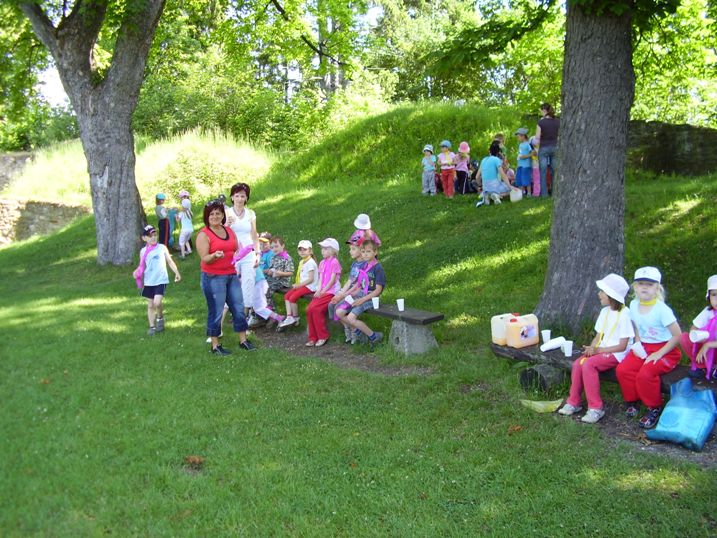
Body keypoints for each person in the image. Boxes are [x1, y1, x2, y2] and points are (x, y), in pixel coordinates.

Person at [558, 273, 634, 423]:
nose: (598, 294)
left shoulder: (625, 315)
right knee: (578, 364)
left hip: (617, 353)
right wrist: (591, 348)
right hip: (602, 350)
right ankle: (574, 402)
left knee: (588, 365)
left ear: (611, 295)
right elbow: (598, 336)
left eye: (602, 291)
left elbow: (622, 346)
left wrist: (597, 351)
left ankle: (596, 408)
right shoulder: (605, 312)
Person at [615, 267, 681, 429]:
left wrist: (658, 354)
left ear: (657, 288)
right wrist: (637, 343)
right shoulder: (633, 304)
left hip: (665, 350)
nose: (644, 287)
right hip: (644, 346)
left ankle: (654, 407)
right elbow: (637, 327)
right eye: (641, 284)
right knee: (623, 370)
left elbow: (677, 335)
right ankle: (634, 400)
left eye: (650, 284)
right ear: (635, 287)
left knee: (645, 374)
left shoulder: (662, 310)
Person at [196, 199, 256, 354]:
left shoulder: (229, 231)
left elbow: (235, 248)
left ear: (223, 215)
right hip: (213, 277)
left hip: (231, 274)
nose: (215, 216)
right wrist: (214, 255)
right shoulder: (204, 234)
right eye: (211, 214)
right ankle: (215, 346)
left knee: (238, 307)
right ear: (207, 216)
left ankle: (243, 341)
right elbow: (205, 258)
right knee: (216, 310)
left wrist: (241, 253)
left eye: (218, 213)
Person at [132, 225, 181, 336]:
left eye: (155, 235)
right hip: (149, 281)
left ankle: (160, 317)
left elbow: (169, 261)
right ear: (144, 238)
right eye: (150, 236)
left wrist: (176, 272)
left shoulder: (162, 248)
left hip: (160, 280)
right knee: (150, 305)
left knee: (157, 302)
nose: (153, 237)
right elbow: (142, 266)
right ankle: (152, 327)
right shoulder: (143, 251)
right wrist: (137, 273)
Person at [339, 239, 385, 350]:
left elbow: (377, 291)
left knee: (351, 317)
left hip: (371, 299)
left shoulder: (378, 268)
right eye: (363, 252)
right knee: (339, 312)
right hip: (361, 295)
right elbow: (360, 285)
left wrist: (361, 300)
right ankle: (360, 333)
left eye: (368, 252)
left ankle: (374, 336)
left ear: (375, 252)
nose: (365, 254)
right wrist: (350, 294)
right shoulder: (364, 266)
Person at [225, 182, 260, 315]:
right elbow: (220, 234)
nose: (240, 199)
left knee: (248, 283)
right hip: (231, 253)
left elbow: (254, 234)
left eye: (243, 196)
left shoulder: (250, 213)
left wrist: (257, 253)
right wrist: (226, 225)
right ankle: (226, 312)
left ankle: (243, 316)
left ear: (246, 198)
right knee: (230, 283)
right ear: (232, 197)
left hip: (248, 253)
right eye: (237, 196)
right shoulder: (226, 213)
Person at [305, 238, 342, 347]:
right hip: (322, 291)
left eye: (325, 249)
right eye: (322, 248)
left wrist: (323, 291)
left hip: (331, 292)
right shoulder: (322, 263)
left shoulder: (334, 262)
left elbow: (332, 280)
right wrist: (318, 290)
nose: (322, 251)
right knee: (309, 309)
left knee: (316, 310)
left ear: (333, 251)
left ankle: (323, 336)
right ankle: (312, 337)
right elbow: (321, 278)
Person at [680, 274, 717, 380]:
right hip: (706, 348)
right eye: (714, 295)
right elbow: (694, 328)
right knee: (684, 337)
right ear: (709, 297)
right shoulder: (708, 312)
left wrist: (709, 344)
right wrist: (698, 336)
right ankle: (701, 366)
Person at [332, 236, 367, 344]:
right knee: (333, 305)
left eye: (353, 249)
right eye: (350, 249)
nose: (350, 251)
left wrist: (344, 294)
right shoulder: (354, 264)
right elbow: (349, 281)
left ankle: (355, 330)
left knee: (339, 311)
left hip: (358, 294)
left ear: (362, 250)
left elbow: (358, 285)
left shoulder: (365, 265)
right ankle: (349, 327)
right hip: (350, 293)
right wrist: (341, 293)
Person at [277, 240, 319, 330]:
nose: (302, 251)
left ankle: (295, 318)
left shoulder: (311, 263)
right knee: (287, 296)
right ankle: (289, 316)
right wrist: (298, 284)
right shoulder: (302, 261)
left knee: (292, 298)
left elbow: (311, 279)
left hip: (310, 286)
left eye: (305, 249)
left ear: (310, 251)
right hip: (303, 285)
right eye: (300, 249)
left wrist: (299, 285)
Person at [475, 141, 519, 207]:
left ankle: (488, 196)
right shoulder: (496, 160)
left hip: (485, 187)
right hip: (495, 185)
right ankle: (496, 195)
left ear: (490, 151)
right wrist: (510, 187)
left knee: (490, 189)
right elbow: (503, 175)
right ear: (499, 152)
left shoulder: (483, 160)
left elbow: (477, 177)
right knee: (511, 189)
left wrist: (480, 186)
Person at [265, 236, 295, 314]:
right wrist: (269, 271)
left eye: (276, 246)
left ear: (283, 246)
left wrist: (281, 273)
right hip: (273, 279)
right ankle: (263, 310)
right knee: (261, 286)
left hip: (282, 282)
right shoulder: (273, 257)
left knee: (267, 289)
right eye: (272, 247)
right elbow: (271, 269)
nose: (274, 249)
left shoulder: (287, 258)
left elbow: (291, 272)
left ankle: (271, 312)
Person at [535, 103, 560, 197]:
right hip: (555, 147)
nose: (541, 112)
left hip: (544, 147)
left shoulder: (541, 122)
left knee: (543, 172)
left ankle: (544, 194)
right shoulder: (558, 121)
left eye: (541, 111)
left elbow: (537, 138)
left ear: (544, 110)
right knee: (554, 171)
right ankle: (555, 193)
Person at [514, 128, 533, 196]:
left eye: (518, 137)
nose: (518, 138)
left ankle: (529, 193)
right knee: (519, 179)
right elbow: (520, 153)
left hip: (526, 165)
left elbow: (532, 153)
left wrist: (525, 156)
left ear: (523, 136)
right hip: (520, 164)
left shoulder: (528, 144)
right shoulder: (520, 145)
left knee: (526, 179)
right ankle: (522, 192)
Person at [176, 192, 193, 259]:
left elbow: (178, 220)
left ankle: (183, 256)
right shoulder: (190, 212)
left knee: (181, 242)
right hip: (191, 230)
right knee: (186, 240)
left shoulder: (181, 213)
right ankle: (189, 250)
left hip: (184, 230)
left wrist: (176, 216)